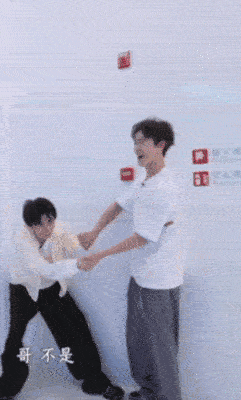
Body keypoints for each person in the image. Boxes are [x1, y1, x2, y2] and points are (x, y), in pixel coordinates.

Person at [78, 118, 186, 400]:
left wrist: (99, 255)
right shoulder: (144, 180)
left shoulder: (163, 188)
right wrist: (95, 232)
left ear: (161, 145)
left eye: (143, 142)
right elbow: (118, 205)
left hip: (159, 280)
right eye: (135, 142)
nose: (137, 148)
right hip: (142, 275)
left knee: (160, 348)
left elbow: (142, 238)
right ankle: (148, 392)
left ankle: (166, 396)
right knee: (139, 342)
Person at [0, 198, 125, 400]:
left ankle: (95, 381)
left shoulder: (58, 230)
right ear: (30, 226)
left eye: (50, 221)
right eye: (40, 224)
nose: (47, 228)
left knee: (76, 325)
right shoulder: (20, 241)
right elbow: (43, 269)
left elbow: (72, 244)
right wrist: (77, 264)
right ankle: (6, 391)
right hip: (24, 290)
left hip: (50, 287)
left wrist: (84, 241)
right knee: (16, 338)